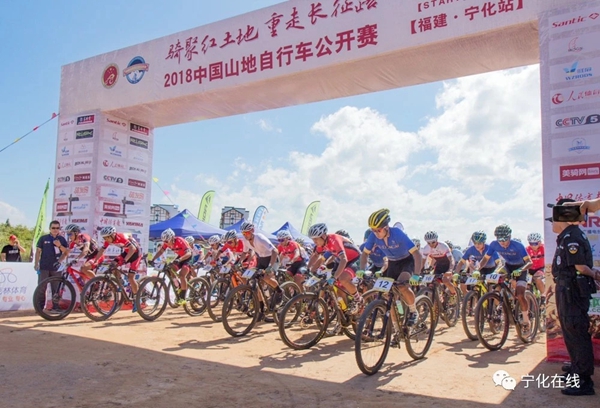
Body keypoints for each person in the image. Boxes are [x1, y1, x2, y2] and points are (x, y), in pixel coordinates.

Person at [550, 198, 599, 396]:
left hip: (572, 291)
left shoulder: (572, 237)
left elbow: (580, 267)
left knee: (576, 332)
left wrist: (595, 275)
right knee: (570, 331)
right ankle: (576, 369)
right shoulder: (567, 236)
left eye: (554, 219)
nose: (552, 222)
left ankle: (583, 380)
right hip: (567, 289)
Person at [358, 209, 422, 325]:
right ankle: (396, 327)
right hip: (392, 263)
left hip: (407, 261)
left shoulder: (397, 233)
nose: (376, 233)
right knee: (387, 295)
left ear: (386, 227)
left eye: (378, 230)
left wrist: (416, 275)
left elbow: (417, 254)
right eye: (373, 230)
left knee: (402, 286)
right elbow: (364, 254)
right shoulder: (373, 236)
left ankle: (413, 311)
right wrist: (362, 269)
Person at [477, 224, 533, 331]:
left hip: (521, 267)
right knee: (495, 282)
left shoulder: (518, 245)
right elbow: (485, 259)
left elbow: (529, 262)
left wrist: (520, 270)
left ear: (510, 237)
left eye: (504, 239)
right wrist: (477, 269)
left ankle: (526, 320)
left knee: (520, 295)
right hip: (507, 266)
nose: (502, 242)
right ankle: (499, 307)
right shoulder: (494, 244)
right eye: (499, 239)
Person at [307, 223, 364, 314]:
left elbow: (344, 259)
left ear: (323, 236)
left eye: (316, 239)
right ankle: (345, 313)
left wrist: (335, 277)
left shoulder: (334, 239)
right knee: (337, 288)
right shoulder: (322, 244)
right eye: (313, 239)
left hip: (355, 259)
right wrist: (308, 269)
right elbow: (316, 256)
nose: (314, 241)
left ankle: (359, 300)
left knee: (342, 278)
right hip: (341, 260)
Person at [94, 226, 142, 311]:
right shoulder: (108, 240)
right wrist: (95, 261)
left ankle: (137, 299)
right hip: (127, 252)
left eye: (107, 237)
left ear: (112, 235)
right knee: (113, 265)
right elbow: (101, 250)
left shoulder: (121, 237)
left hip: (136, 253)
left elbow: (133, 248)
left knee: (131, 277)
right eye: (104, 238)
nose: (106, 239)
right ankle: (121, 281)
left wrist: (125, 260)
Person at [238, 221, 283, 307]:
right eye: (243, 233)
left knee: (266, 278)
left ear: (252, 231)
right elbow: (245, 252)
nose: (245, 235)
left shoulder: (259, 238)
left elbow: (275, 251)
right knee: (254, 283)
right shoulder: (245, 240)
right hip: (261, 260)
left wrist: (270, 266)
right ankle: (261, 305)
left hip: (272, 259)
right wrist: (239, 262)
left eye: (247, 233)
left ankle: (279, 291)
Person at [150, 228, 192, 305]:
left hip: (187, 257)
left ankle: (183, 297)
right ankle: (179, 286)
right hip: (180, 257)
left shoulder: (180, 240)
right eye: (164, 241)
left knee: (182, 275)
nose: (165, 243)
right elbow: (161, 251)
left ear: (172, 238)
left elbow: (189, 253)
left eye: (166, 241)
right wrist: (153, 259)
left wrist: (179, 259)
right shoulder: (166, 242)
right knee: (170, 270)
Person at [34, 221, 68, 312]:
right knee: (41, 287)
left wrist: (59, 246)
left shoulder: (62, 239)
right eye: (53, 228)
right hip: (44, 267)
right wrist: (36, 263)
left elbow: (66, 252)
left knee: (56, 288)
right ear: (49, 228)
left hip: (56, 268)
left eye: (57, 228)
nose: (55, 230)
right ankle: (40, 307)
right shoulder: (43, 238)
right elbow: (38, 252)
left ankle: (55, 307)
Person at [421, 231, 458, 303]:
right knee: (432, 282)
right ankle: (437, 300)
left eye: (433, 242)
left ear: (437, 240)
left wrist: (450, 270)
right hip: (439, 266)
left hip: (448, 265)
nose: (431, 245)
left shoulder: (443, 246)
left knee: (445, 280)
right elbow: (423, 261)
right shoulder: (426, 248)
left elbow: (451, 259)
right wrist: (420, 271)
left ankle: (454, 294)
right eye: (428, 243)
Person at [526, 232, 546, 304]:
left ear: (540, 242)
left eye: (535, 244)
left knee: (538, 279)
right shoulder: (526, 249)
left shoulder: (544, 248)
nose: (533, 246)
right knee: (526, 285)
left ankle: (543, 295)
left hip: (540, 268)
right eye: (531, 243)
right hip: (530, 270)